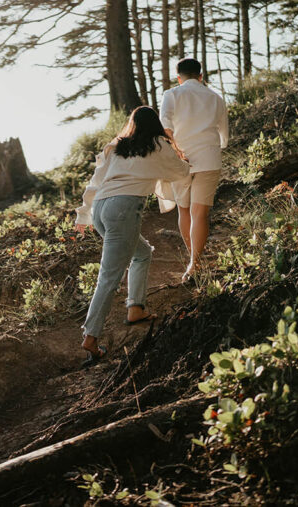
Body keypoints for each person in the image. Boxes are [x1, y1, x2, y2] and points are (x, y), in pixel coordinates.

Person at [74, 106, 190, 366]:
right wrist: (185, 159)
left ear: (132, 124)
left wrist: (84, 215)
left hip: (102, 209)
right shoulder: (158, 144)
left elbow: (95, 180)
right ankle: (90, 337)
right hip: (123, 209)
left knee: (142, 253)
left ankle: (135, 308)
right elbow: (181, 173)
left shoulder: (118, 147)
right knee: (109, 276)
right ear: (155, 125)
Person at [159, 57, 229, 281]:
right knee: (200, 213)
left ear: (179, 78)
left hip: (181, 160)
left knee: (184, 211)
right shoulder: (216, 98)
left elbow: (165, 125)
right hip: (209, 158)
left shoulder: (171, 94)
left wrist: (177, 148)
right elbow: (224, 137)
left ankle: (193, 262)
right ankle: (194, 263)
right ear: (201, 76)